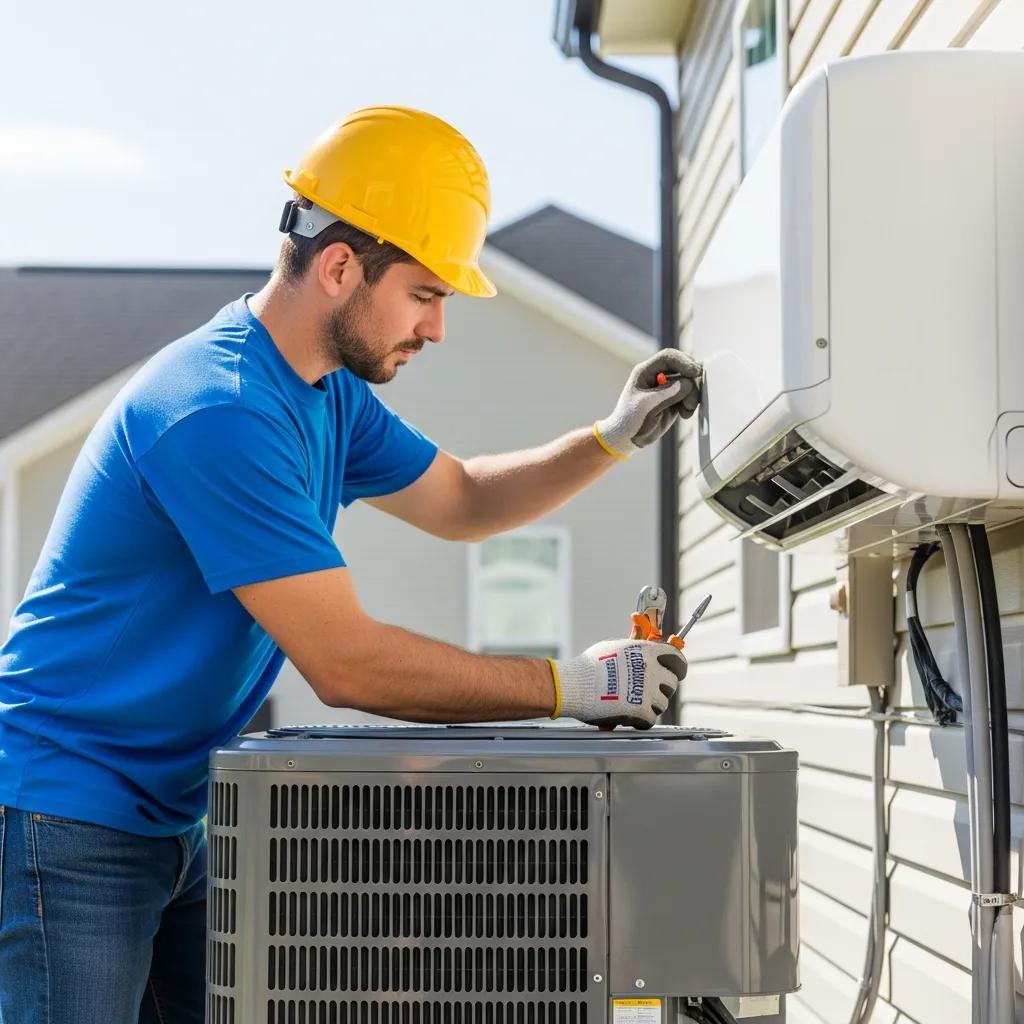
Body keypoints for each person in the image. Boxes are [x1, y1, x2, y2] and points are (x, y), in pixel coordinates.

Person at [0, 106, 701, 1022]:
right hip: (68, 814)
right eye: (425, 294)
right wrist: (575, 686)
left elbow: (462, 500)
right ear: (339, 267)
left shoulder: (324, 393)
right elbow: (346, 663)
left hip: (177, 809)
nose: (438, 328)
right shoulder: (222, 410)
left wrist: (608, 439)